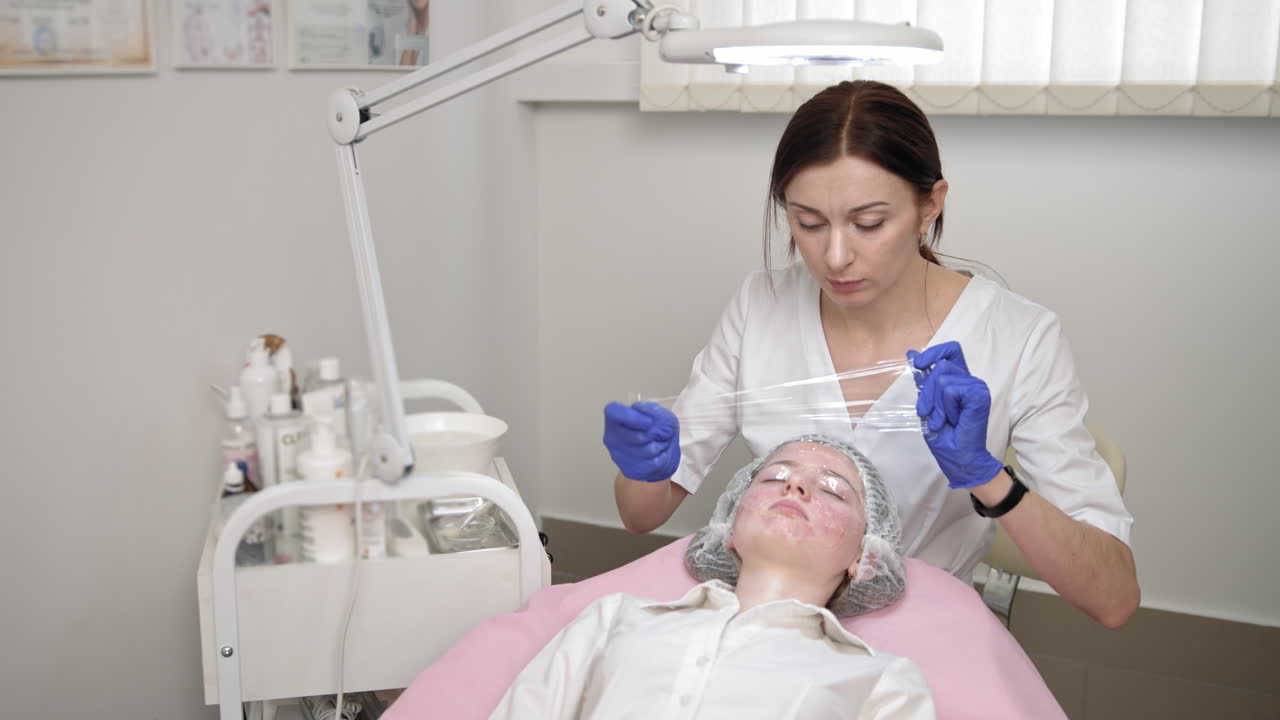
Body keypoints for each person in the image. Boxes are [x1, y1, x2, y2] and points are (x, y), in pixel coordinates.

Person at [602, 80, 1139, 629]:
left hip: (919, 638)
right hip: (771, 623)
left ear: (930, 203)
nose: (835, 256)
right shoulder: (761, 305)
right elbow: (641, 515)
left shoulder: (1019, 339)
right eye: (808, 223)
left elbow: (1114, 598)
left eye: (869, 223)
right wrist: (643, 469)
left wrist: (987, 476)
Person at [490, 436, 935, 719]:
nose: (794, 486)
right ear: (728, 532)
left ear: (865, 555)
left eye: (833, 489)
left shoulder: (884, 683)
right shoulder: (612, 620)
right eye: (774, 476)